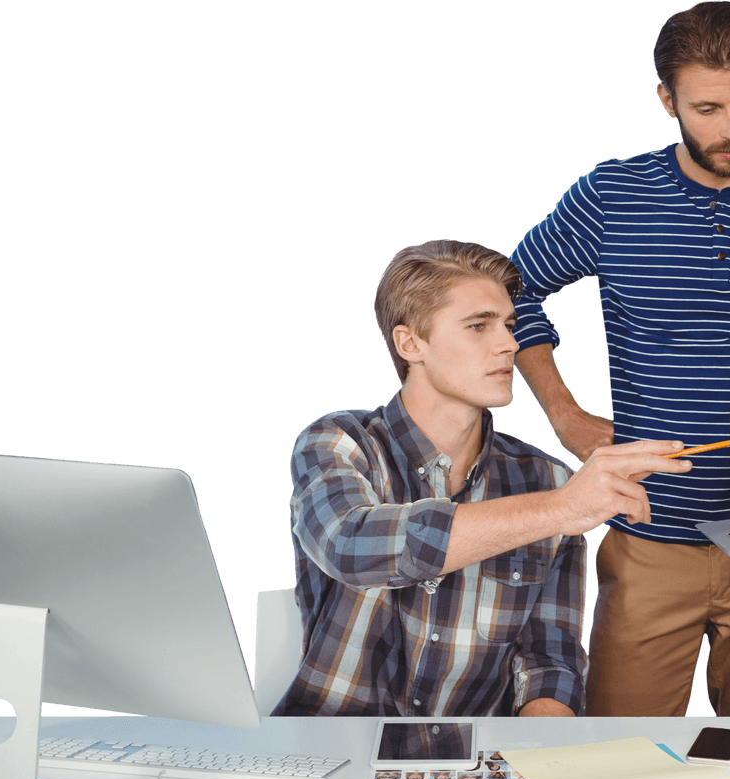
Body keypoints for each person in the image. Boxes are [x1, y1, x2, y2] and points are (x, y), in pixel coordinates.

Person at [510, 1, 730, 723]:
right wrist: (564, 413)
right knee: (618, 763)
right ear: (667, 100)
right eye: (708, 107)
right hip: (649, 537)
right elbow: (512, 288)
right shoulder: (611, 195)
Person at [273, 240, 693, 718]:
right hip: (334, 753)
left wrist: (543, 764)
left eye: (510, 325)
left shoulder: (547, 478)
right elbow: (349, 543)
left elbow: (549, 662)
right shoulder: (337, 442)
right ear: (410, 344)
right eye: (478, 326)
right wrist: (561, 508)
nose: (510, 344)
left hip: (475, 767)